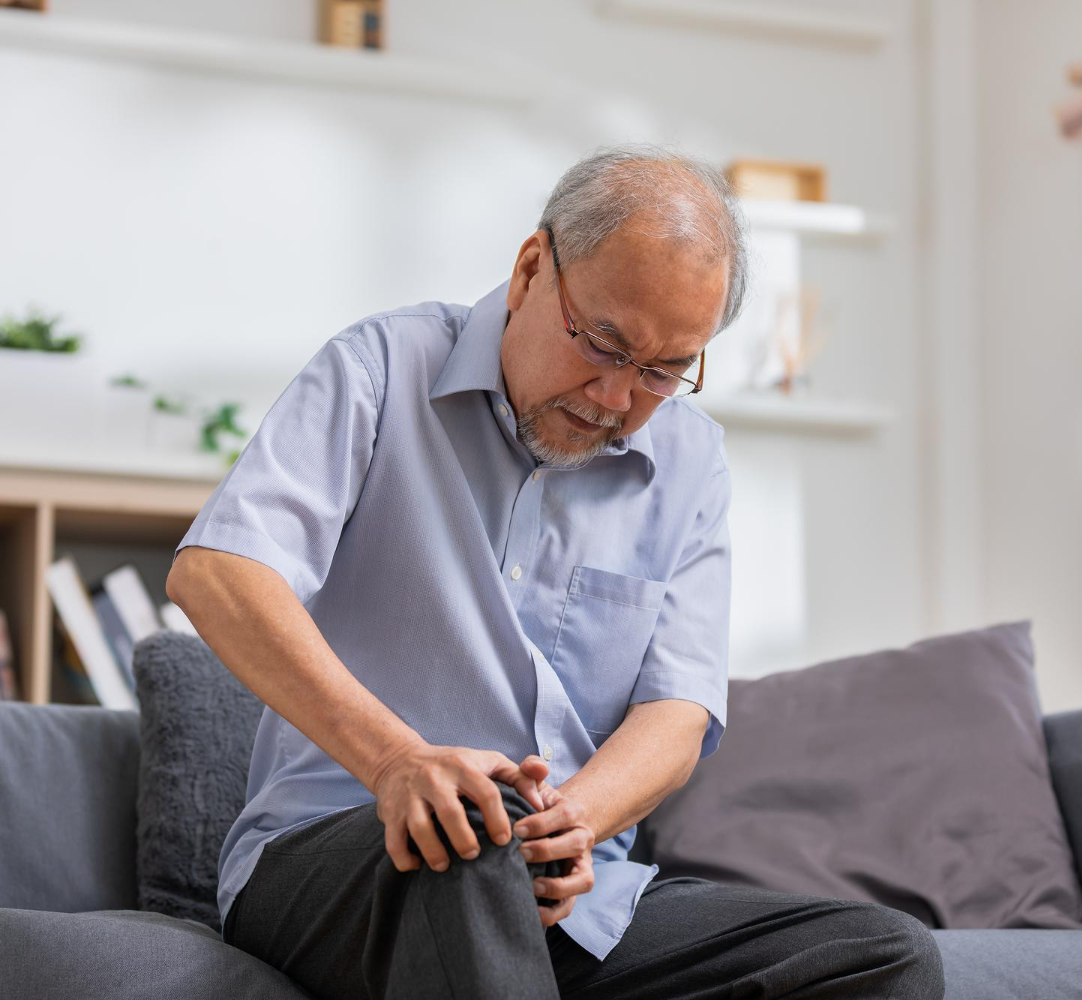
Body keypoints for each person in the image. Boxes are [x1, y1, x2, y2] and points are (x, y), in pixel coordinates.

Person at [166, 144, 945, 999]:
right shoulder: (379, 369)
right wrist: (395, 762)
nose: (617, 398)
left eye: (662, 371)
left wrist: (571, 828)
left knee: (883, 957)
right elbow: (219, 573)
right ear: (533, 267)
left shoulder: (692, 462)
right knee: (469, 837)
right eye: (605, 342)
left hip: (569, 894)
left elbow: (677, 714)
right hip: (338, 859)